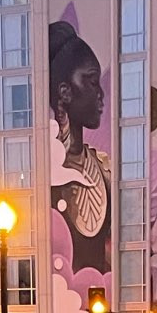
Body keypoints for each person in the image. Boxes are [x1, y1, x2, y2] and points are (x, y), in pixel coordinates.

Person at [49, 21, 112, 278]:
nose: (101, 94)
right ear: (64, 92)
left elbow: (114, 252)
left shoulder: (103, 169)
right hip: (56, 308)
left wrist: (153, 238)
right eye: (92, 82)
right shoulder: (43, 172)